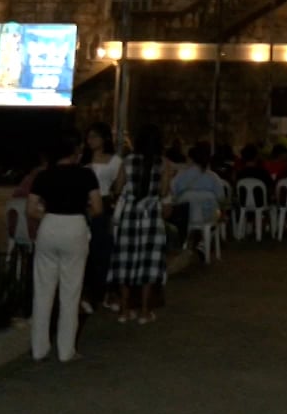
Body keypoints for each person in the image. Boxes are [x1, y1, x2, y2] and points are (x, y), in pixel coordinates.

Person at [29, 133, 101, 363]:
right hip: (75, 226)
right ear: (75, 151)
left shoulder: (43, 175)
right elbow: (97, 207)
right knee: (71, 290)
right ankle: (66, 349)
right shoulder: (86, 174)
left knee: (43, 289)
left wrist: (49, 216)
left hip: (49, 224)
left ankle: (39, 347)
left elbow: (31, 209)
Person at [110, 125, 169, 325]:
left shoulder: (127, 161)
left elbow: (118, 187)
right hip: (151, 216)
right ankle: (145, 311)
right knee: (149, 264)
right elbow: (163, 191)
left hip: (130, 215)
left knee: (125, 261)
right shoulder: (163, 164)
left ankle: (125, 311)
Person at [82, 122, 123, 314]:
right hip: (83, 204)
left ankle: (104, 290)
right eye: (89, 137)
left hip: (103, 203)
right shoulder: (83, 159)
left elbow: (119, 187)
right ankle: (89, 291)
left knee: (102, 247)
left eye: (95, 137)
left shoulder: (115, 161)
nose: (91, 141)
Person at [168, 143, 225, 246]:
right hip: (208, 216)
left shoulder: (180, 176)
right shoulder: (213, 177)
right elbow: (221, 197)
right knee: (219, 214)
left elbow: (173, 194)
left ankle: (189, 242)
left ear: (191, 159)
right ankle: (205, 242)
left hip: (186, 216)